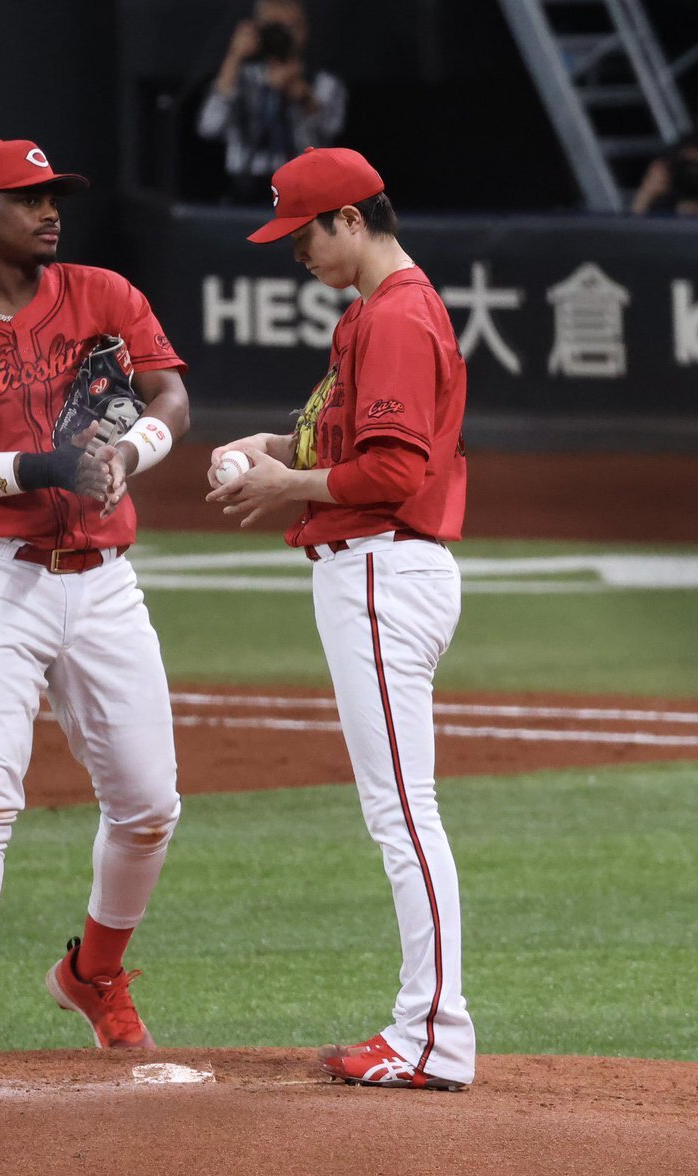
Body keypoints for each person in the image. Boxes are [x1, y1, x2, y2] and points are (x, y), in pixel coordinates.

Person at [0, 138, 190, 1060]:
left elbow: (170, 397)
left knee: (150, 805)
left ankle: (92, 975)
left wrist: (127, 453)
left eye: (55, 197)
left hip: (103, 581)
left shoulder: (105, 295)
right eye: (29, 198)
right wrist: (42, 466)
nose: (51, 211)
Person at [207, 147, 474, 1090]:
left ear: (353, 219)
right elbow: (351, 442)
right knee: (398, 808)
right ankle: (429, 1028)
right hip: (375, 570)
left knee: (403, 811)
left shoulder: (395, 315)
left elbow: (395, 471)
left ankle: (434, 1035)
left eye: (306, 234)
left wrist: (287, 486)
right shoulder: (371, 314)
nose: (298, 254)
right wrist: (276, 449)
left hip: (381, 571)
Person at [196, 0, 347, 203]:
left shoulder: (323, 83)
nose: (280, 36)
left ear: (303, 31)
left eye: (288, 27)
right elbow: (209, 127)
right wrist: (234, 57)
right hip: (246, 190)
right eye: (272, 28)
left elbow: (331, 130)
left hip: (302, 189)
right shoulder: (241, 79)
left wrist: (302, 97)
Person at [631, 133, 698, 216]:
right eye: (686, 166)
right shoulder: (658, 218)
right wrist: (646, 195)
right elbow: (633, 230)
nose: (692, 177)